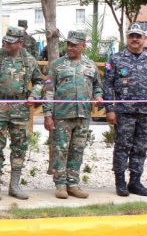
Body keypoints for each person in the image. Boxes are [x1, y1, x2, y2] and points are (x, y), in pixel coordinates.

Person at [0, 26, 44, 200]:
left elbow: (39, 81)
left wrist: (35, 94)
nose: (6, 43)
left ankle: (14, 186)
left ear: (20, 43)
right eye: (6, 40)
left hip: (20, 108)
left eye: (11, 41)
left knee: (19, 146)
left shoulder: (29, 60)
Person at [103, 23, 147, 197]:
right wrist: (109, 109)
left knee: (141, 148)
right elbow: (107, 86)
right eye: (131, 36)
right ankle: (120, 182)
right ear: (127, 38)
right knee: (122, 147)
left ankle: (135, 182)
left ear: (144, 39)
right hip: (124, 112)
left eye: (138, 36)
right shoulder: (116, 59)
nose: (135, 39)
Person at [43, 31, 103, 199]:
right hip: (62, 115)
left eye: (74, 45)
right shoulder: (56, 65)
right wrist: (47, 114)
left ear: (83, 46)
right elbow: (48, 91)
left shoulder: (91, 66)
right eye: (68, 44)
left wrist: (98, 96)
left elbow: (98, 86)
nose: (70, 47)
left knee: (77, 150)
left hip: (83, 115)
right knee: (60, 150)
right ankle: (61, 185)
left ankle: (73, 183)